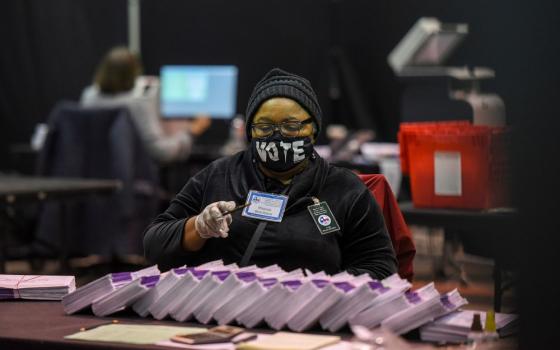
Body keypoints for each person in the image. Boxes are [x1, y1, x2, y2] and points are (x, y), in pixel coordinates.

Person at [143, 68, 397, 279]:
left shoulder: (344, 188)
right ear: (250, 131)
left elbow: (380, 269)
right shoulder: (219, 175)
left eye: (291, 125)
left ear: (313, 129)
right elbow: (154, 246)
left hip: (307, 323)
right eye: (265, 126)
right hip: (221, 316)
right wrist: (198, 227)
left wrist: (323, 293)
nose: (278, 135)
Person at [80, 46, 210, 163]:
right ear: (134, 74)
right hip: (132, 180)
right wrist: (191, 132)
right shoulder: (136, 104)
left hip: (91, 178)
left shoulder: (88, 97)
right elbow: (162, 152)